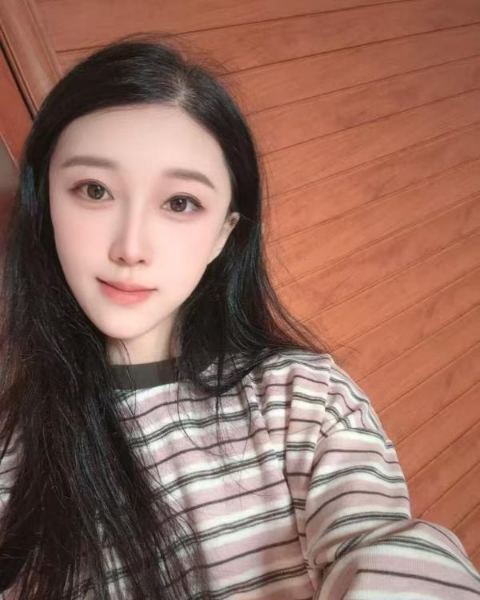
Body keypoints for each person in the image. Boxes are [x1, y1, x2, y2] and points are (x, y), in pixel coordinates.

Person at [0, 34, 478, 600]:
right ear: (45, 206)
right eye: (94, 190)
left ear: (222, 235)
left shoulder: (304, 399)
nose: (130, 247)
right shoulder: (13, 443)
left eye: (180, 203)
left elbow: (382, 548)